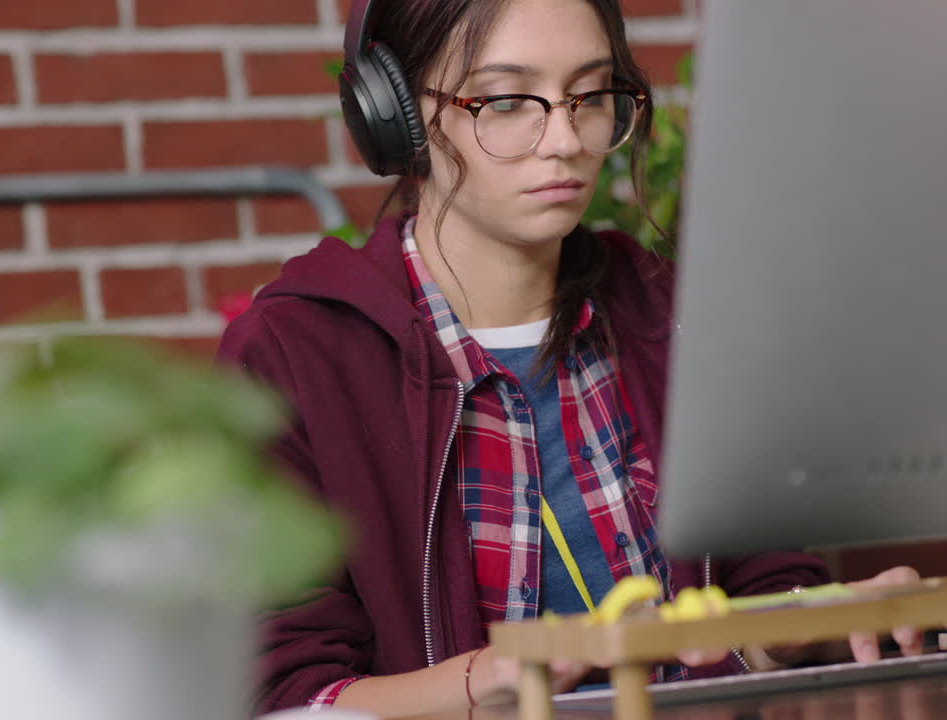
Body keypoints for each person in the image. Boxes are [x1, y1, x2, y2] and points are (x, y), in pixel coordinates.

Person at [216, 0, 923, 716]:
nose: (565, 139)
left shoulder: (672, 314)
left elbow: (760, 595)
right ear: (394, 117)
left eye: (589, 95)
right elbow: (290, 699)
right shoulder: (294, 358)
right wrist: (493, 679)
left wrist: (822, 623)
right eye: (508, 100)